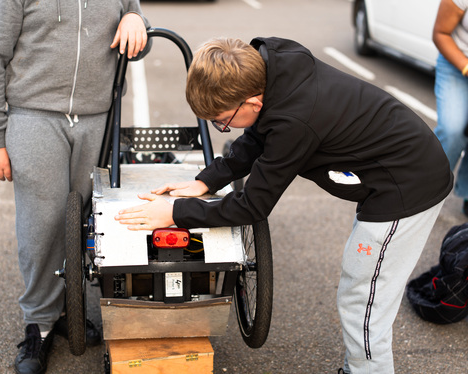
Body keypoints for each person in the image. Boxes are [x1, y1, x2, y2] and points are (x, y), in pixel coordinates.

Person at [115, 37, 453, 374]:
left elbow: (252, 206)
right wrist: (207, 180)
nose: (224, 128)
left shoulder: (295, 121)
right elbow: (257, 137)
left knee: (365, 298)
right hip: (396, 169)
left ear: (253, 102)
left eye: (223, 121)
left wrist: (174, 213)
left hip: (406, 187)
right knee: (361, 289)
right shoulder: (271, 70)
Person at [0, 1, 149, 373]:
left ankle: (70, 306)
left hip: (99, 116)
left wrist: (137, 20)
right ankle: (39, 323)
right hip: (34, 116)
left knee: (87, 222)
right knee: (42, 226)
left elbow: (138, 41)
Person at [433, 0, 468, 215]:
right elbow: (440, 33)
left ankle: (467, 192)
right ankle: (427, 189)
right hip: (457, 64)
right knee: (453, 128)